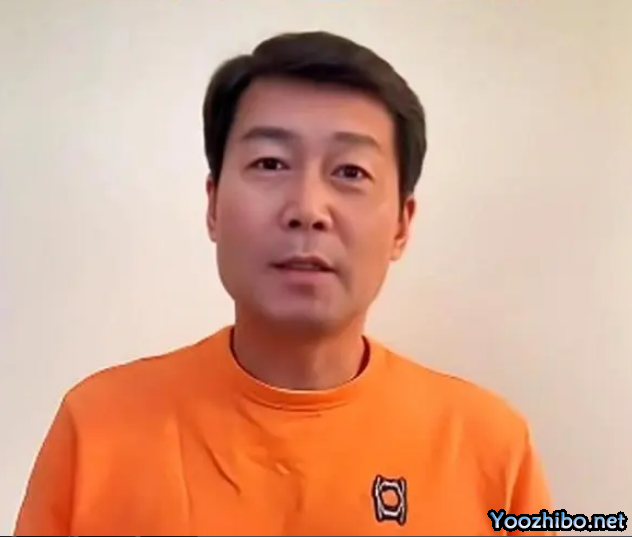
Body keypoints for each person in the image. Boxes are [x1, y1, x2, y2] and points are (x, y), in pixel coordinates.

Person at [14, 31, 555, 536]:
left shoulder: (491, 448)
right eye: (270, 163)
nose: (307, 209)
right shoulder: (98, 429)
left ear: (401, 224)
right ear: (213, 206)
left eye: (350, 172)